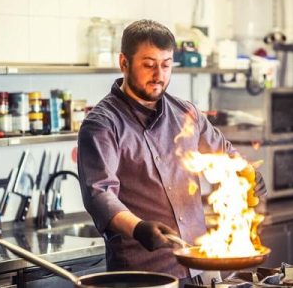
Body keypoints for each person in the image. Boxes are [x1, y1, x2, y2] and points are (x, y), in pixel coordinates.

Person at [77, 19, 266, 284]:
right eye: (149, 64)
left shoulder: (186, 114)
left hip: (202, 266)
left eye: (166, 65)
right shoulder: (101, 124)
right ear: (124, 62)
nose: (159, 74)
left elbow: (224, 154)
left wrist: (246, 173)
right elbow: (99, 195)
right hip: (145, 276)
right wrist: (138, 228)